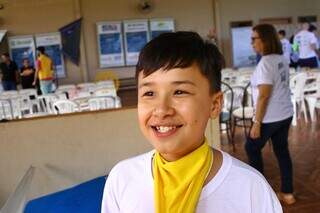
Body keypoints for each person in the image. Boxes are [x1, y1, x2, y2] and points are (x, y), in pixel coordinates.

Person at [101, 32, 282, 212]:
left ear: (215, 104)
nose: (162, 110)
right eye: (149, 93)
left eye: (179, 92)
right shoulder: (122, 178)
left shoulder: (250, 188)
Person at [246, 24, 295, 205]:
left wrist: (256, 122)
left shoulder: (266, 62)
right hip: (285, 113)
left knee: (251, 148)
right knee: (282, 151)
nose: (251, 43)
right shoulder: (281, 58)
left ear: (265, 40)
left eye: (254, 39)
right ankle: (288, 193)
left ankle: (259, 195)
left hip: (270, 117)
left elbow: (264, 95)